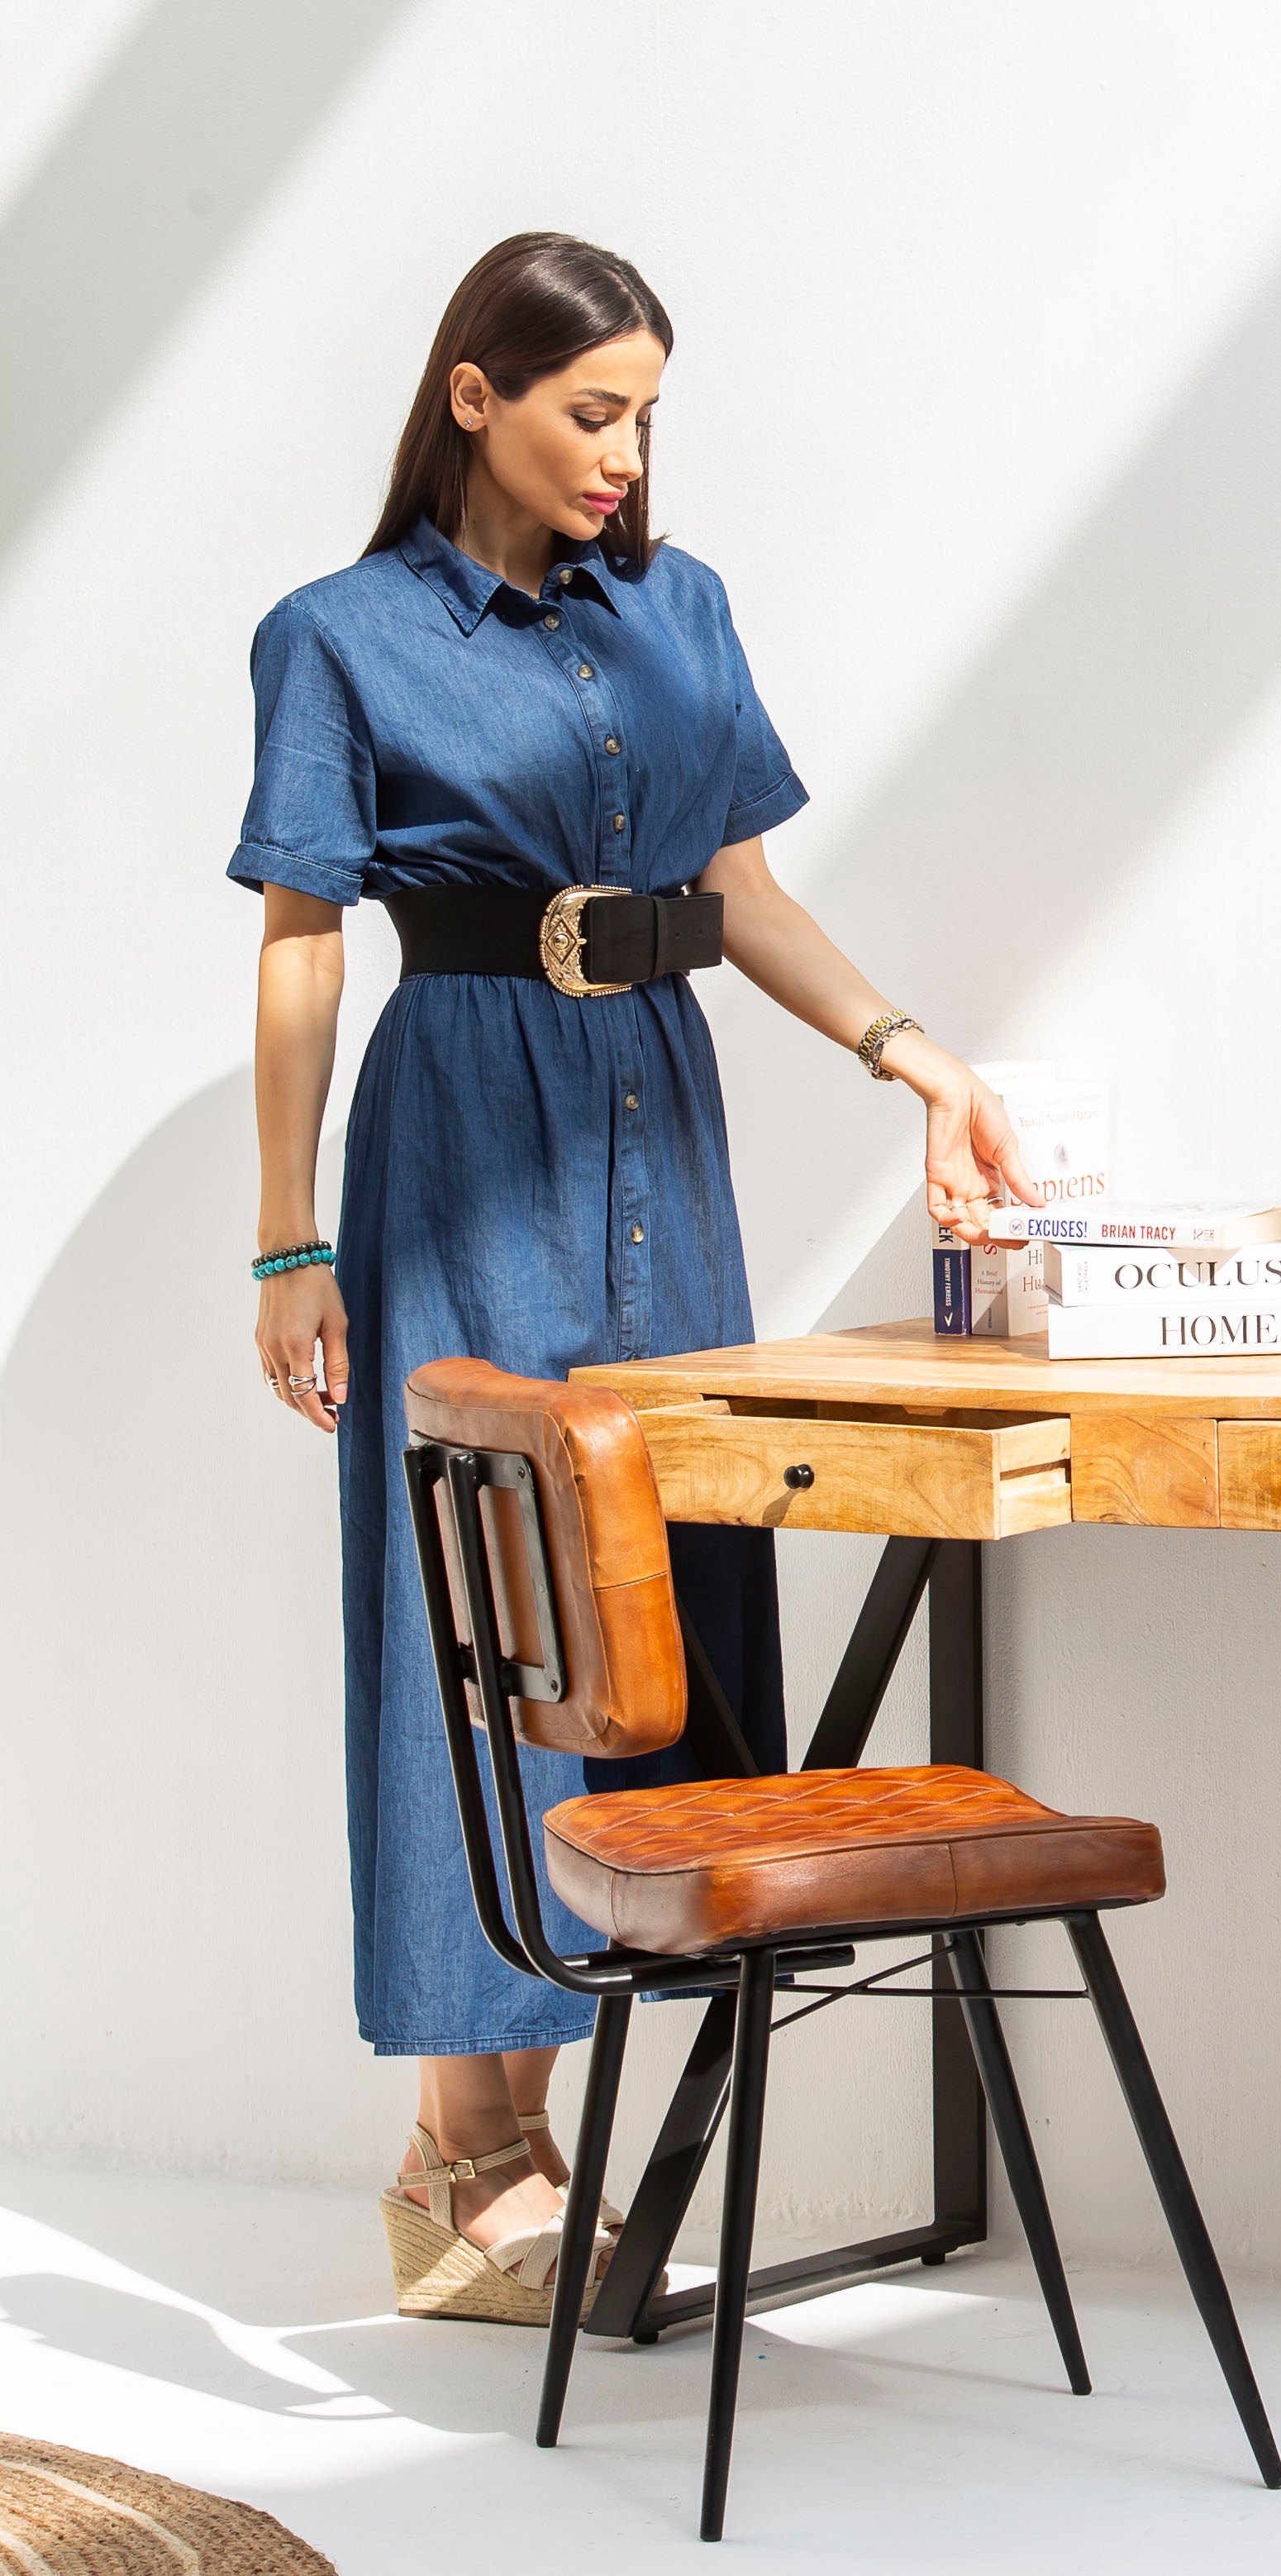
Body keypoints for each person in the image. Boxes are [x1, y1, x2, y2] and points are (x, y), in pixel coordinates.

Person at [240, 233, 1035, 2321]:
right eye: (593, 409)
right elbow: (304, 940)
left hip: (658, 1147)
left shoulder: (681, 613)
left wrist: (910, 1056)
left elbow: (738, 889)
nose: (626, 453)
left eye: (649, 416)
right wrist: (290, 1236)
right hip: (468, 1146)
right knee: (475, 1617)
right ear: (474, 393)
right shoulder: (338, 637)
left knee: (654, 1597)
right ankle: (463, 2152)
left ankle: (527, 2136)